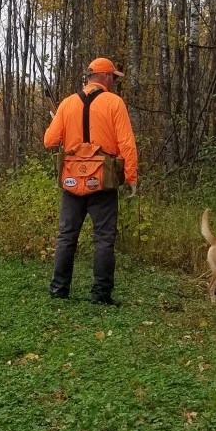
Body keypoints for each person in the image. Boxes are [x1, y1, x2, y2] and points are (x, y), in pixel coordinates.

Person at [44, 57, 138, 305]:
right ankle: (100, 295)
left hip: (72, 182)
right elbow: (127, 144)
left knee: (66, 236)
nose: (114, 81)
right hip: (103, 180)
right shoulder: (114, 103)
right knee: (104, 239)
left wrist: (58, 120)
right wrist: (131, 177)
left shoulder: (66, 104)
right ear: (105, 77)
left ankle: (59, 290)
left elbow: (49, 141)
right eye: (113, 77)